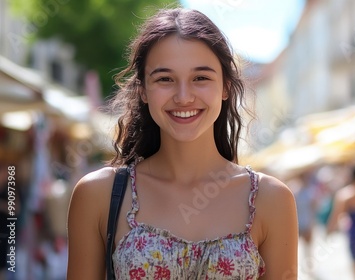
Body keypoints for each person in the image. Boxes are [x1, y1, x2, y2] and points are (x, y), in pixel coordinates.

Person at [67, 7, 298, 279]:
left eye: (200, 78)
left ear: (225, 86)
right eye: (165, 79)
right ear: (142, 90)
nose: (184, 96)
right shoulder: (98, 195)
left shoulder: (270, 200)